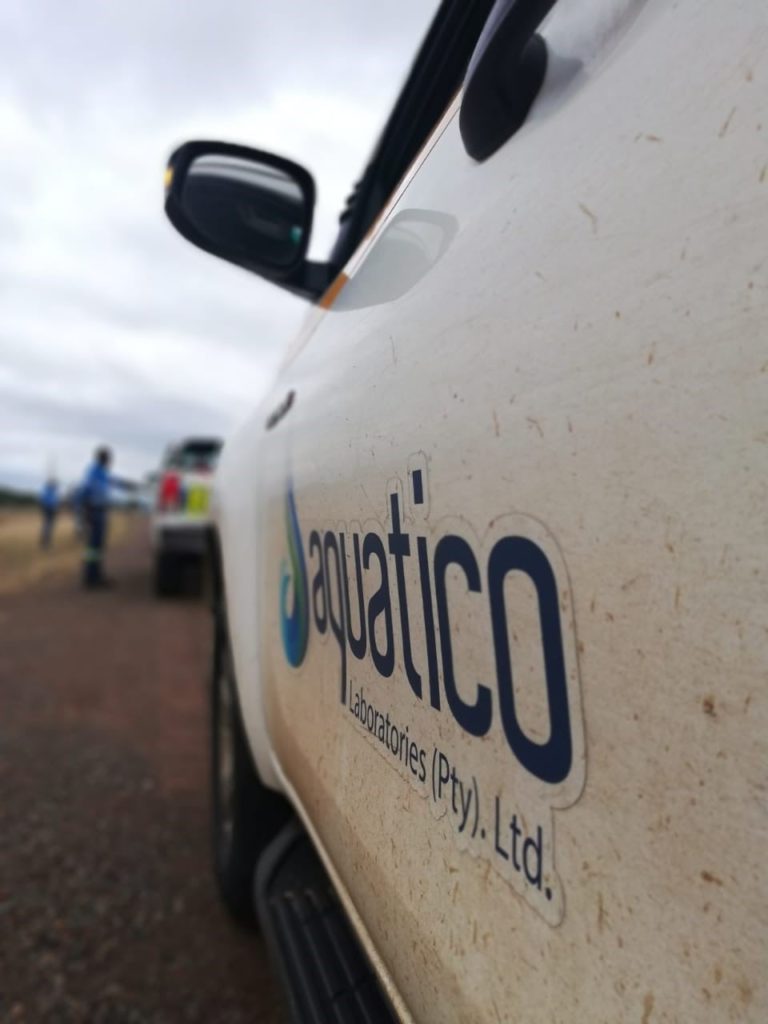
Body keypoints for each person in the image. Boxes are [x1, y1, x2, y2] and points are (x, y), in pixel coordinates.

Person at [78, 446, 133, 589]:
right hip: (95, 511)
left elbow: (113, 481)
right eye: (108, 458)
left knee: (97, 546)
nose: (110, 461)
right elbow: (85, 491)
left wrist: (126, 485)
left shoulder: (101, 472)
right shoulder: (94, 472)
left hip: (100, 511)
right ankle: (92, 577)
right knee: (94, 546)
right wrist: (86, 511)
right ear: (103, 458)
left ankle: (96, 575)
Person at [39, 477, 59, 549]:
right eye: (54, 483)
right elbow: (44, 500)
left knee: (49, 526)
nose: (55, 485)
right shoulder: (48, 490)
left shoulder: (51, 491)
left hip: (51, 509)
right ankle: (45, 542)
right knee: (48, 525)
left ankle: (46, 541)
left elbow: (54, 501)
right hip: (49, 509)